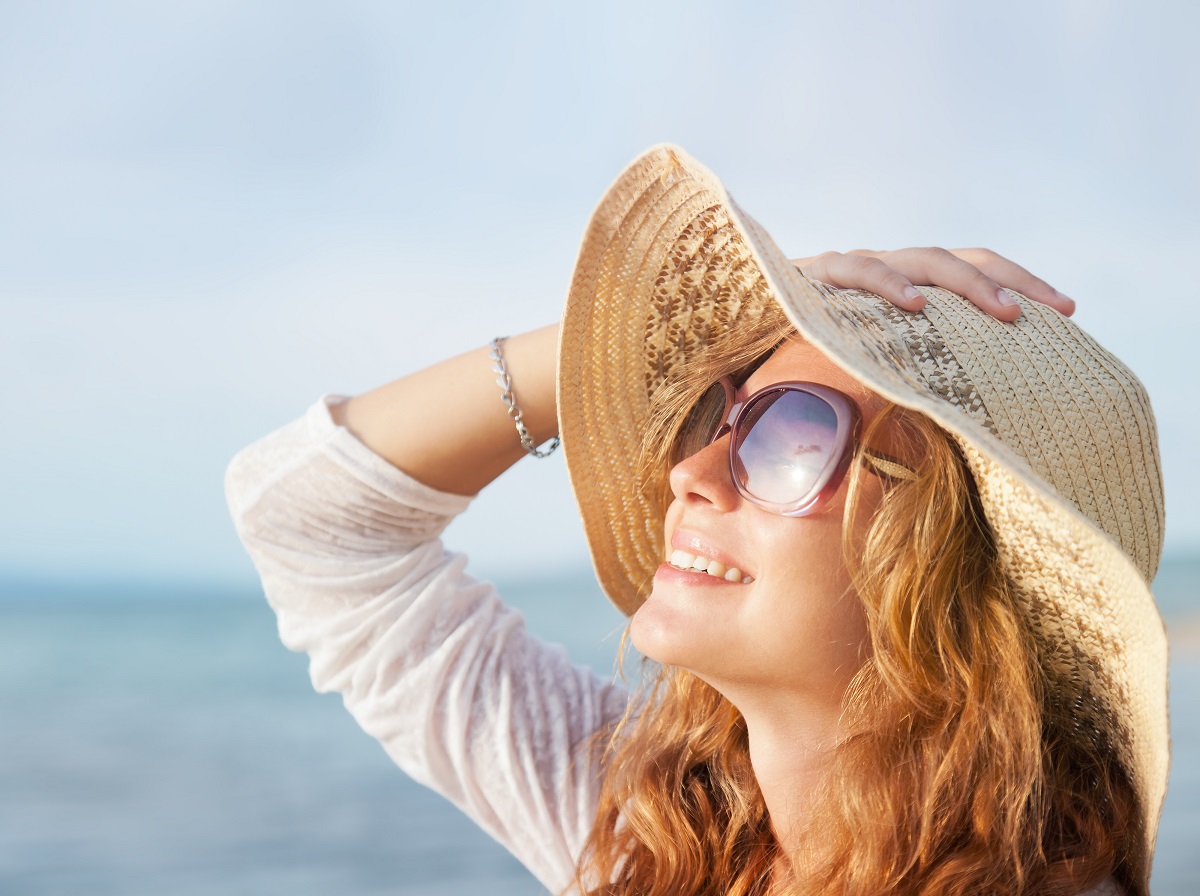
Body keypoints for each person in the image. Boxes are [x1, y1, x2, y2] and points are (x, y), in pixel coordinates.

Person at [226, 145, 1167, 896]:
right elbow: (303, 518)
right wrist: (622, 343)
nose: (691, 470)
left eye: (792, 430)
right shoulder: (661, 832)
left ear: (950, 555)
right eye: (717, 415)